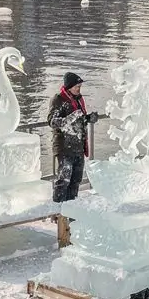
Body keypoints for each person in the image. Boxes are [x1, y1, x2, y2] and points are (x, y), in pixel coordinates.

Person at [47, 72, 97, 205]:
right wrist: (72, 117)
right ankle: (59, 211)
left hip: (78, 146)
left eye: (80, 86)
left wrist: (89, 118)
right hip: (64, 147)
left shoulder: (79, 99)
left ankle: (71, 210)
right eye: (76, 86)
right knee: (63, 180)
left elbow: (80, 119)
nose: (79, 89)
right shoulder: (58, 99)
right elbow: (53, 121)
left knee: (76, 180)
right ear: (68, 87)